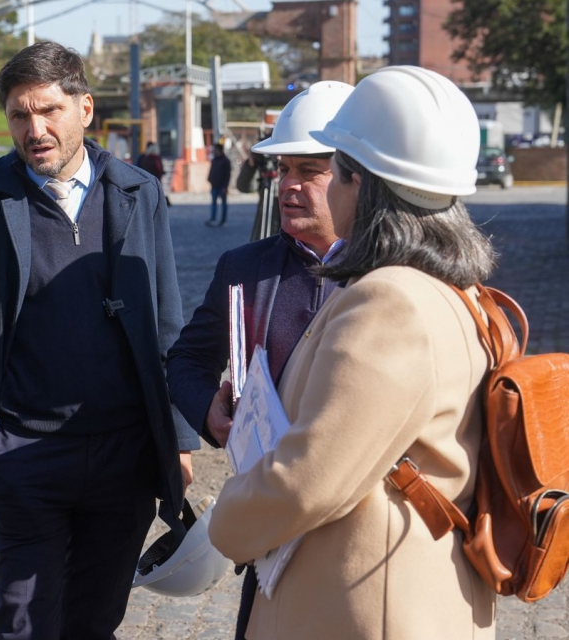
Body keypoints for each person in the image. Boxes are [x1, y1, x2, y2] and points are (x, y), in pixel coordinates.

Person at [0, 42, 197, 640]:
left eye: (48, 110)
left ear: (85, 108)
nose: (34, 129)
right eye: (19, 114)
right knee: (25, 627)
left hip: (124, 457)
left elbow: (166, 323)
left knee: (96, 622)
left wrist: (177, 436)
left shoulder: (139, 192)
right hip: (23, 455)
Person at [209, 66, 497, 639]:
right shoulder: (455, 290)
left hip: (364, 607)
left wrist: (228, 518)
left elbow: (306, 479)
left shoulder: (388, 302)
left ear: (359, 183)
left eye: (329, 169)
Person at [165, 80, 354, 640]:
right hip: (272, 534)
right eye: (282, 169)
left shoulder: (396, 276)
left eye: (309, 171)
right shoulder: (244, 268)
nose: (288, 185)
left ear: (355, 177)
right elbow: (186, 361)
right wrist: (209, 411)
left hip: (358, 532)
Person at [136, 141, 171, 206]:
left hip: (145, 181)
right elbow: (159, 169)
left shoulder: (144, 158)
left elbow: (139, 167)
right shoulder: (156, 159)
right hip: (155, 180)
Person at [207, 143, 232, 226]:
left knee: (223, 204)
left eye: (215, 149)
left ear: (219, 150)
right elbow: (212, 171)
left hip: (222, 186)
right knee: (213, 204)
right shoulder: (214, 160)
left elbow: (228, 175)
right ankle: (213, 218)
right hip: (214, 185)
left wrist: (225, 186)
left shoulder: (226, 161)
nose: (214, 151)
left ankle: (223, 221)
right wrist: (210, 179)